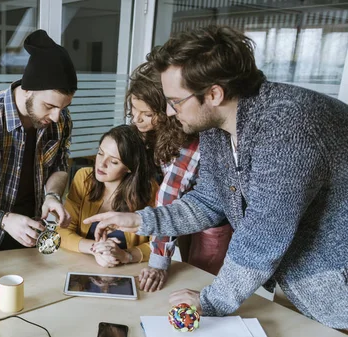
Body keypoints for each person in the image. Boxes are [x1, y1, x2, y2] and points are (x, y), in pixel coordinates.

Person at [85, 25, 348, 331]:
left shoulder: (287, 124)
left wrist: (212, 300)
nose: (169, 112)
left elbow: (263, 234)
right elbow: (207, 201)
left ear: (213, 93)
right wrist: (139, 220)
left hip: (337, 286)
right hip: (305, 286)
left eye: (175, 101)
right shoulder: (215, 127)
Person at [0, 29, 77, 255]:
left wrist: (52, 196)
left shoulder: (60, 120)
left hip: (36, 223)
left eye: (64, 107)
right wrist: (6, 220)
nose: (58, 117)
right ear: (27, 89)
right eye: (49, 106)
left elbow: (59, 166)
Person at [126, 54, 232, 293]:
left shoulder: (191, 138)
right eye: (134, 109)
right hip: (182, 212)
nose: (137, 119)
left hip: (213, 221)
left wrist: (158, 262)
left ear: (168, 109)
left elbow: (169, 196)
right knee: (181, 268)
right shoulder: (160, 129)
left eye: (147, 114)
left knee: (198, 279)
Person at [57, 125, 157, 268]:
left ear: (129, 167)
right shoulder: (84, 178)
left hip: (130, 272)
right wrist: (97, 248)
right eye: (100, 153)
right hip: (82, 267)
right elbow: (62, 232)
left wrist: (126, 255)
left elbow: (159, 243)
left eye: (114, 161)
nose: (101, 164)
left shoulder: (149, 189)